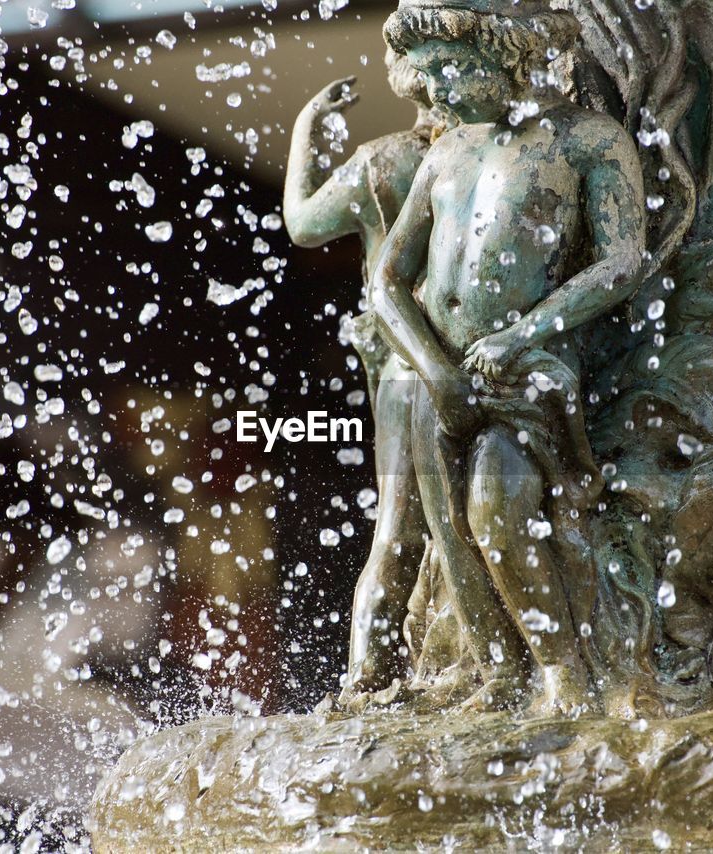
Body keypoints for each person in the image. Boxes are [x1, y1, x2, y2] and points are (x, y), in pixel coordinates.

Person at [372, 0, 647, 714]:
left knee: (497, 509)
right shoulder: (448, 149)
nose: (439, 94)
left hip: (524, 372)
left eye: (456, 70)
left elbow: (622, 261)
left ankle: (563, 674)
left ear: (515, 59)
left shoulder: (587, 141)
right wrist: (431, 367)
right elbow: (387, 279)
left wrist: (524, 336)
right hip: (439, 372)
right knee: (448, 531)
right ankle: (498, 676)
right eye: (430, 76)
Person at [283, 49, 444, 700]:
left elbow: (301, 223)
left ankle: (368, 681)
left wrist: (307, 131)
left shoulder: (381, 162)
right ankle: (372, 680)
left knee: (400, 529)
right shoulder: (484, 158)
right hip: (470, 359)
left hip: (400, 362)